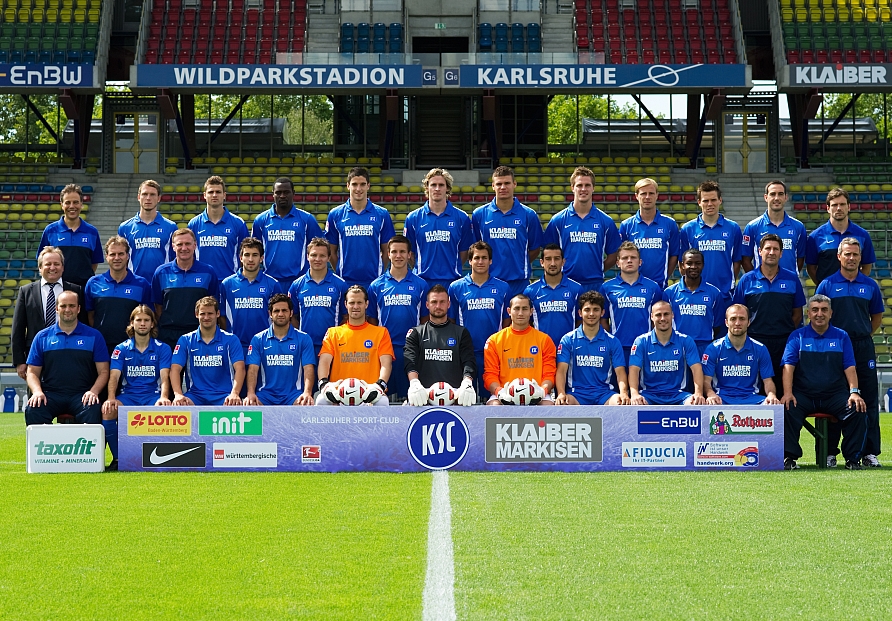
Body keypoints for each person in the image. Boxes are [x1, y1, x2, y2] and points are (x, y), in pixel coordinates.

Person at [816, 238, 885, 468]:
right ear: (839, 256)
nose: (851, 258)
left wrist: (860, 335)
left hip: (862, 346)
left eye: (855, 254)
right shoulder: (826, 285)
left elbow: (876, 318)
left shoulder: (870, 285)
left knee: (868, 399)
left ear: (860, 257)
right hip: (834, 348)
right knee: (833, 399)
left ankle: (869, 452)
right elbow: (818, 316)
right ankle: (829, 452)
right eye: (847, 254)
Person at [781, 294, 867, 470]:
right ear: (808, 313)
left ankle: (852, 459)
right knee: (787, 407)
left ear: (831, 313)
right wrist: (788, 393)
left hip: (834, 395)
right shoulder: (797, 336)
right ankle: (789, 457)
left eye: (824, 310)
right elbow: (788, 367)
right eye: (815, 310)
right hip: (804, 395)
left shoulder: (842, 336)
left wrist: (854, 392)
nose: (819, 314)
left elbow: (849, 366)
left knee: (857, 409)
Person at [731, 233, 805, 399]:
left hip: (783, 343)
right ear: (760, 251)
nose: (771, 252)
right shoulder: (747, 280)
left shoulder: (792, 279)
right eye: (768, 248)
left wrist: (784, 333)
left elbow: (797, 313)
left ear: (781, 253)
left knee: (782, 390)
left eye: (775, 249)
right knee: (755, 390)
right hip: (754, 342)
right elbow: (738, 312)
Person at [24, 290, 110, 426]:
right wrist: (37, 392)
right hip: (51, 394)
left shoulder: (94, 336)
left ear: (79, 309)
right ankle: (48, 441)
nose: (67, 310)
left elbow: (104, 372)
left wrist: (93, 392)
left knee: (93, 409)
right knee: (34, 409)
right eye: (63, 306)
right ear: (56, 308)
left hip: (82, 394)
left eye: (72, 306)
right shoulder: (42, 337)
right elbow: (32, 372)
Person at [101, 305, 172, 469]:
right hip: (128, 396)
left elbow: (165, 376)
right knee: (108, 410)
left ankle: (158, 458)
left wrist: (163, 397)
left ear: (152, 324)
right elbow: (114, 376)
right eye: (139, 320)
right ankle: (118, 458)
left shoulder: (163, 348)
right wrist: (111, 398)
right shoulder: (121, 349)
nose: (142, 324)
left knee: (164, 408)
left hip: (152, 396)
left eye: (146, 320)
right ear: (132, 323)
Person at [367, 235, 430, 399]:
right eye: (394, 252)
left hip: (411, 349)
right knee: (383, 398)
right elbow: (372, 320)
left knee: (410, 398)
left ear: (409, 255)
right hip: (384, 349)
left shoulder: (421, 285)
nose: (398, 256)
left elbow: (424, 319)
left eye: (402, 252)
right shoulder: (376, 286)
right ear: (388, 254)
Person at [543, 165, 621, 293]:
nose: (583, 189)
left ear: (593, 188)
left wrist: (599, 268)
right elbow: (548, 253)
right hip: (565, 283)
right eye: (579, 185)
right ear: (572, 188)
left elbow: (614, 254)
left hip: (595, 284)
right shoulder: (558, 220)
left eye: (587, 185)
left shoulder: (606, 221)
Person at [12, 246, 85, 380]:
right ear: (40, 268)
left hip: (70, 354)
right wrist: (20, 361)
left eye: (56, 264)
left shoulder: (76, 290)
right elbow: (18, 328)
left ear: (63, 267)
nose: (52, 267)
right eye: (48, 264)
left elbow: (83, 323)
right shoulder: (26, 292)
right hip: (36, 358)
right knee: (37, 393)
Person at [448, 241, 510, 398]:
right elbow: (452, 321)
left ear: (491, 261)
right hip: (465, 351)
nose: (480, 261)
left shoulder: (503, 288)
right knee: (464, 397)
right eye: (476, 258)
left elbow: (507, 322)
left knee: (491, 397)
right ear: (470, 261)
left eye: (484, 258)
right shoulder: (456, 287)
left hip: (493, 352)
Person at [471, 165, 543, 300]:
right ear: (493, 186)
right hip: (489, 282)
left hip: (519, 283)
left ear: (514, 184)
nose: (503, 187)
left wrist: (518, 262)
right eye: (499, 184)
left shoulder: (529, 215)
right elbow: (475, 249)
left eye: (507, 183)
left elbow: (535, 248)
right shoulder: (479, 215)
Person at [316, 285, 394, 406]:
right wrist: (324, 385)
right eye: (352, 303)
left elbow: (386, 364)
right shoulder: (333, 333)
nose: (356, 307)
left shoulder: (381, 333)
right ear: (345, 304)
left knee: (382, 401)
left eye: (359, 303)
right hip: (338, 394)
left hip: (369, 393)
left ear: (366, 304)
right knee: (321, 400)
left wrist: (379, 385)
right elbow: (324, 362)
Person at [404, 285, 477, 407]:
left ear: (448, 304)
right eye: (434, 302)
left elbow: (468, 361)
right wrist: (414, 383)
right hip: (423, 395)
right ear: (427, 305)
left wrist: (467, 382)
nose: (438, 306)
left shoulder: (461, 333)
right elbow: (410, 361)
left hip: (455, 396)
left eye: (442, 302)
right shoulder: (416, 333)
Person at [324, 167, 396, 289]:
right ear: (348, 186)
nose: (358, 189)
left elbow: (387, 251)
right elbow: (331, 251)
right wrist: (340, 271)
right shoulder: (335, 214)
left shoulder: (382, 214)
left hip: (374, 281)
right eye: (354, 184)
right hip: (345, 281)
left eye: (362, 184)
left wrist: (379, 271)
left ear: (368, 186)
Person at [555, 290, 629, 406]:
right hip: (576, 394)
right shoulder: (568, 339)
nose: (591, 314)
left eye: (596, 309)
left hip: (604, 394)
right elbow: (561, 371)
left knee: (620, 402)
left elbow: (620, 372)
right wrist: (561, 393)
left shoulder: (613, 341)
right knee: (563, 403)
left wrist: (624, 393)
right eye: (587, 310)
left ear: (602, 312)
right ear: (580, 313)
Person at [403, 168, 474, 289]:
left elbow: (464, 252)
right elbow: (409, 253)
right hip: (422, 281)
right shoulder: (413, 218)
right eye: (433, 185)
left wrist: (451, 268)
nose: (437, 189)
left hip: (452, 281)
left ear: (447, 188)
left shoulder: (462, 218)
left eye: (441, 185)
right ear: (427, 188)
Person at [151, 228, 219, 352]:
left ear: (195, 245)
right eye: (179, 244)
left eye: (187, 244)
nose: (184, 248)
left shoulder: (208, 272)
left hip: (199, 334)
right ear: (173, 247)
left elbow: (213, 305)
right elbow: (158, 307)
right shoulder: (161, 272)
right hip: (168, 336)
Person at [483, 294, 556, 406]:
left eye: (525, 309)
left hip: (536, 392)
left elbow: (549, 374)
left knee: (547, 406)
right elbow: (490, 374)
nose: (520, 313)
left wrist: (542, 391)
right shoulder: (494, 340)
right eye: (516, 309)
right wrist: (499, 392)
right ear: (509, 311)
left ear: (531, 311)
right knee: (494, 406)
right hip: (505, 392)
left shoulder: (544, 340)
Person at [170, 296, 244, 406]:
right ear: (196, 315)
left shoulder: (231, 339)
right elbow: (175, 369)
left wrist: (235, 393)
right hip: (195, 395)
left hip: (224, 395)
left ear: (217, 314)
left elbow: (240, 368)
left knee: (236, 404)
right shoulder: (185, 340)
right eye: (202, 314)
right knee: (179, 405)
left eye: (210, 313)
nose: (206, 317)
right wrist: (178, 395)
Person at [85, 236, 153, 356]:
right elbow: (90, 316)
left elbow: (149, 317)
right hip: (101, 347)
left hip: (131, 349)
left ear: (128, 256)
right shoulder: (93, 283)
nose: (117, 258)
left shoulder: (142, 284)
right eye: (112, 254)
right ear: (106, 256)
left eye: (121, 254)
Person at [628, 300, 705, 406]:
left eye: (666, 314)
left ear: (672, 315)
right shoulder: (641, 341)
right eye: (658, 315)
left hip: (679, 394)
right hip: (649, 394)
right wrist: (634, 394)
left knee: (695, 403)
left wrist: (698, 393)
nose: (663, 318)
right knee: (637, 404)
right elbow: (633, 370)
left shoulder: (686, 340)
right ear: (651, 317)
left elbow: (696, 368)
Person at [678, 180, 742, 307]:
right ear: (699, 202)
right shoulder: (688, 229)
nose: (710, 204)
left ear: (720, 200)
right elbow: (682, 264)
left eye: (713, 200)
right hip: (697, 294)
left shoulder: (733, 228)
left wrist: (727, 284)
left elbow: (737, 262)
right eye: (705, 201)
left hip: (725, 295)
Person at [244, 294, 316, 406]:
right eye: (276, 311)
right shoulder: (258, 339)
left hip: (293, 395)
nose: (280, 314)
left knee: (306, 404)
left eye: (284, 310)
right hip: (265, 395)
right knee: (249, 404)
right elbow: (253, 370)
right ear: (270, 314)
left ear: (291, 313)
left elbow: (308, 368)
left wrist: (307, 392)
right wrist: (250, 393)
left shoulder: (304, 338)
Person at [702, 304, 780, 405]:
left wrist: (771, 395)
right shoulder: (713, 348)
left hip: (752, 399)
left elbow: (768, 380)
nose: (737, 323)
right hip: (721, 399)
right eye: (733, 319)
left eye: (742, 319)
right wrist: (710, 394)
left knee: (773, 405)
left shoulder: (760, 349)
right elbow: (706, 381)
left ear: (749, 322)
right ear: (726, 322)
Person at [600, 241, 662, 365]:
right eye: (625, 258)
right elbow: (602, 319)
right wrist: (611, 342)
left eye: (633, 257)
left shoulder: (653, 287)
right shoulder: (607, 287)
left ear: (640, 262)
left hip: (645, 347)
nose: (629, 261)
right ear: (618, 263)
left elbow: (657, 320)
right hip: (618, 347)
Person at [251, 177, 323, 283]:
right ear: (273, 194)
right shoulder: (260, 220)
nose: (282, 196)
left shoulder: (307, 219)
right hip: (269, 280)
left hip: (299, 280)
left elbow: (320, 249)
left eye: (286, 192)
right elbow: (254, 251)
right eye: (278, 192)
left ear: (293, 193)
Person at [219, 237, 284, 357]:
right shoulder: (227, 284)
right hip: (235, 346)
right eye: (247, 255)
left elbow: (279, 316)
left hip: (264, 345)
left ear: (261, 258)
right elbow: (222, 317)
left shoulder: (273, 284)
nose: (250, 259)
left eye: (255, 255)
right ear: (240, 257)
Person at [288, 237, 349, 358]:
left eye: (322, 256)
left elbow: (346, 316)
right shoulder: (296, 285)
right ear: (307, 256)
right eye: (314, 255)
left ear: (329, 257)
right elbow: (291, 316)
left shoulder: (340, 285)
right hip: (306, 346)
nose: (317, 259)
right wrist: (301, 336)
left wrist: (336, 336)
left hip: (332, 345)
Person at [37, 184, 103, 287]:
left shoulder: (92, 232)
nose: (72, 206)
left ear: (81, 204)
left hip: (83, 289)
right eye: (67, 202)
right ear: (62, 205)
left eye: (75, 202)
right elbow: (42, 260)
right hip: (56, 289)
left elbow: (94, 263)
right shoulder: (50, 231)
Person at [806, 187, 876, 285]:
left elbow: (867, 266)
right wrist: (825, 287)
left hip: (853, 292)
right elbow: (811, 268)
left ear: (849, 207)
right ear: (828, 208)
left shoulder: (863, 235)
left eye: (842, 204)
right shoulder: (815, 237)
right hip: (826, 293)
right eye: (834, 205)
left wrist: (854, 286)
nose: (839, 208)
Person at [619, 178, 680, 289]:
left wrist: (664, 277)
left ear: (657, 195)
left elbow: (674, 255)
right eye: (643, 193)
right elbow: (622, 256)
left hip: (660, 287)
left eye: (651, 193)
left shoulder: (670, 224)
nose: (647, 197)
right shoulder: (626, 225)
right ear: (636, 196)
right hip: (633, 287)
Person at [662, 248, 724, 357]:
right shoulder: (669, 293)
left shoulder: (715, 293)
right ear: (682, 265)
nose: (694, 267)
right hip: (678, 346)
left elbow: (717, 325)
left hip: (705, 346)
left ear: (703, 265)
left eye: (698, 263)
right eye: (689, 263)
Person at [187, 175, 249, 281]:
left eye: (218, 192)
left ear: (224, 195)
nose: (214, 195)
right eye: (211, 192)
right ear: (204, 195)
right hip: (201, 281)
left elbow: (246, 255)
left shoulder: (238, 223)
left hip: (229, 282)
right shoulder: (194, 224)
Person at [523, 244, 583, 348]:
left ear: (563, 262)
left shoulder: (576, 289)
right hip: (541, 348)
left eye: (557, 259)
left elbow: (581, 321)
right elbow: (526, 323)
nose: (553, 263)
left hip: (568, 349)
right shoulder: (530, 291)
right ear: (541, 262)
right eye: (548, 259)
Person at [117, 179, 178, 282]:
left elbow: (175, 259)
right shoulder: (125, 227)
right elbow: (120, 258)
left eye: (152, 194)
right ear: (138, 197)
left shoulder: (171, 227)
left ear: (158, 198)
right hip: (134, 284)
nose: (148, 198)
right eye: (145, 194)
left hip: (162, 283)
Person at [741, 181, 807, 274]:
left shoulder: (799, 227)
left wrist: (790, 277)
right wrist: (757, 279)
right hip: (761, 283)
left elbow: (800, 259)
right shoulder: (752, 227)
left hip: (789, 282)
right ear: (766, 197)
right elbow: (745, 260)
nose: (776, 198)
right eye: (772, 194)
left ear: (786, 197)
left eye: (780, 194)